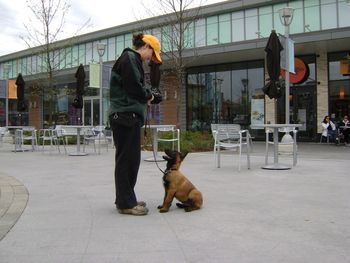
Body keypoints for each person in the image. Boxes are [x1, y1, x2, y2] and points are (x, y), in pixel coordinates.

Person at [108, 33, 162, 216]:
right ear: (146, 46)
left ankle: (127, 198)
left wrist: (146, 95)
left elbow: (132, 87)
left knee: (130, 160)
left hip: (126, 115)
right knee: (127, 160)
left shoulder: (131, 60)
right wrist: (149, 96)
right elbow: (134, 87)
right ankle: (125, 203)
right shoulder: (130, 58)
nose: (150, 59)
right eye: (151, 55)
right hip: (125, 116)